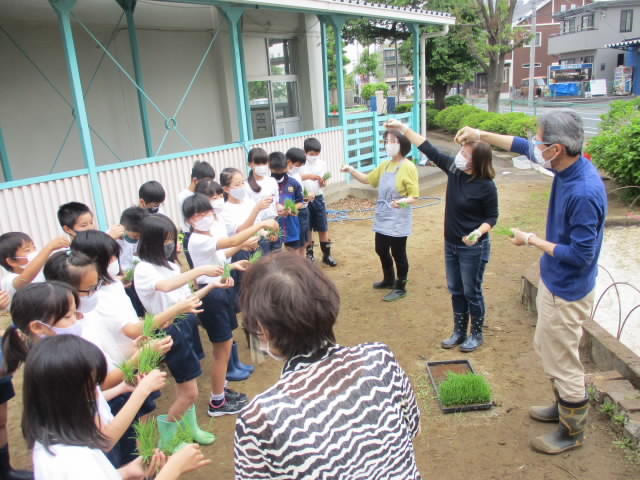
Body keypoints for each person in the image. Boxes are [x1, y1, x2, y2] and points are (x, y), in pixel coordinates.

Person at [455, 109, 607, 454]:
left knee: (563, 361)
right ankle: (562, 406)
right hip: (555, 281)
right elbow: (522, 146)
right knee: (548, 349)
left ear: (556, 148)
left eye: (541, 142)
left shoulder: (583, 191)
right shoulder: (568, 166)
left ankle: (572, 432)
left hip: (568, 289)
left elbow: (582, 255)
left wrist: (532, 240)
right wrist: (480, 133)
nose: (535, 146)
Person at [234, 253, 421, 480]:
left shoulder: (259, 418)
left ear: (263, 330)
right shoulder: (380, 359)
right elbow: (412, 429)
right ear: (329, 299)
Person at [4, 281, 166, 468]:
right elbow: (105, 439)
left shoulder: (49, 359)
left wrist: (121, 388)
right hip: (97, 453)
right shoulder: (61, 367)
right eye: (69, 315)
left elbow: (86, 400)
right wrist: (143, 391)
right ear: (38, 327)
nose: (79, 318)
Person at [22, 335, 211, 480]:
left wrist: (124, 472)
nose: (97, 394)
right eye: (91, 388)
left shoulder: (52, 441)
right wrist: (173, 469)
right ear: (66, 398)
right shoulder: (73, 460)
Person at [385, 118, 498, 351]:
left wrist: (478, 232)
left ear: (477, 162)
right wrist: (403, 128)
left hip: (473, 247)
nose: (460, 157)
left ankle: (475, 333)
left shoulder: (486, 186)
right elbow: (428, 148)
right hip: (451, 244)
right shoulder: (455, 170)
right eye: (461, 151)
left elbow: (492, 217)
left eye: (466, 155)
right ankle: (459, 331)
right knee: (455, 288)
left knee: (471, 290)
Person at [134, 214, 224, 450]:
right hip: (170, 330)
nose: (171, 244)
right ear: (151, 241)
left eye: (173, 238)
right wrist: (199, 270)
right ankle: (168, 438)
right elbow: (165, 287)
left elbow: (187, 299)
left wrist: (211, 285)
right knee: (190, 392)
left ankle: (190, 428)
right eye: (166, 239)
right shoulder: (144, 269)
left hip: (187, 324)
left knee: (187, 382)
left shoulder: (170, 265)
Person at [184, 193, 277, 415]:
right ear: (189, 221)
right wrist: (261, 223)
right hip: (212, 296)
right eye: (198, 215)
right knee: (221, 352)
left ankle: (222, 390)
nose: (205, 216)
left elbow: (223, 254)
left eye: (206, 211)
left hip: (219, 291)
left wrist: (235, 261)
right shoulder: (198, 239)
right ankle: (217, 402)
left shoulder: (207, 236)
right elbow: (232, 241)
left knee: (224, 349)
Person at [340, 128, 419, 302]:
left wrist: (401, 202)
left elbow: (414, 196)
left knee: (398, 253)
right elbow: (368, 180)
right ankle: (388, 279)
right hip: (384, 214)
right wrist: (351, 170)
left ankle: (401, 287)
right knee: (381, 248)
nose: (388, 144)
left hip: (399, 216)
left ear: (402, 144)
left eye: (393, 140)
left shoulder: (408, 167)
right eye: (387, 141)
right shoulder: (385, 165)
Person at [0, 231, 69, 303]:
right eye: (27, 250)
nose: (34, 252)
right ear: (12, 261)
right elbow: (24, 280)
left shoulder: (42, 271)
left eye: (34, 247)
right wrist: (48, 248)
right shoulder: (8, 280)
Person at [302, 137, 337, 266]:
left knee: (323, 227)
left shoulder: (321, 164)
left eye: (317, 154)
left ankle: (327, 255)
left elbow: (323, 185)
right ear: (305, 151)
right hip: (305, 199)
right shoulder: (301, 164)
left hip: (318, 197)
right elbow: (297, 178)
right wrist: (308, 176)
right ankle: (309, 255)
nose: (314, 156)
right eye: (311, 154)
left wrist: (323, 182)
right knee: (307, 228)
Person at [176, 161, 215, 268]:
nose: (209, 185)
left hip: (205, 232)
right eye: (206, 182)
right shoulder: (184, 197)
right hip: (190, 234)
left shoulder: (203, 193)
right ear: (195, 180)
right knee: (195, 266)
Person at [244, 148, 280, 255]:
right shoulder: (245, 185)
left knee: (277, 256)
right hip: (257, 227)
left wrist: (289, 209)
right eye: (257, 163)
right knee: (263, 260)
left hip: (274, 223)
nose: (261, 165)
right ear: (249, 164)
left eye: (264, 162)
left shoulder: (272, 181)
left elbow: (276, 205)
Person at [117, 207, 148, 317]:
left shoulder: (136, 239)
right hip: (120, 281)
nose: (137, 239)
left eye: (140, 237)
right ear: (122, 227)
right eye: (135, 236)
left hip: (133, 278)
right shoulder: (112, 240)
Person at [269, 152, 303, 251]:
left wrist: (292, 208)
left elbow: (300, 201)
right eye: (276, 171)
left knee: (293, 255)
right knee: (275, 254)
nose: (279, 174)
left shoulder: (293, 183)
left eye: (281, 171)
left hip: (291, 225)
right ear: (270, 168)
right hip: (273, 227)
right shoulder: (267, 185)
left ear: (286, 167)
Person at [286, 148, 312, 257]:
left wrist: (306, 197)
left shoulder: (296, 174)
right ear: (289, 162)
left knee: (303, 242)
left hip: (303, 210)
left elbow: (299, 195)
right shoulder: (284, 177)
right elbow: (288, 200)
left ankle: (303, 263)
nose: (299, 168)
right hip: (293, 214)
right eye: (298, 165)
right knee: (294, 245)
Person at [57, 202, 124, 240]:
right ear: (68, 229)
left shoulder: (100, 238)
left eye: (91, 222)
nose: (91, 227)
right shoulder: (72, 251)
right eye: (84, 225)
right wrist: (109, 238)